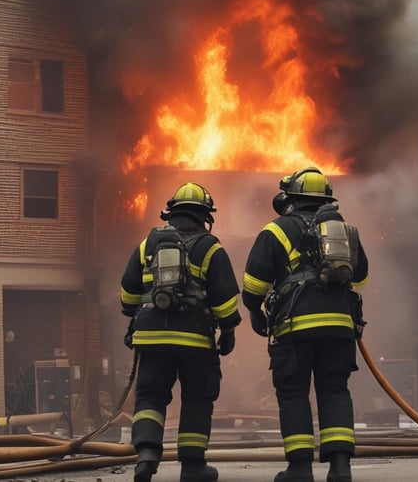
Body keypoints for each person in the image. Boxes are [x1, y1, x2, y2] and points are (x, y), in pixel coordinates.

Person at [242, 168, 369, 482]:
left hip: (295, 326)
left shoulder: (276, 230)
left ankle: (299, 469)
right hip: (339, 326)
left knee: (293, 393)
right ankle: (341, 469)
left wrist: (256, 314)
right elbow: (361, 279)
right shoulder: (344, 230)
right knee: (335, 391)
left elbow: (253, 286)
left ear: (290, 198)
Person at [120, 182, 242, 482]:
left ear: (170, 213)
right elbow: (225, 301)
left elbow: (127, 296)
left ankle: (146, 456)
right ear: (205, 216)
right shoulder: (211, 247)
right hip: (195, 340)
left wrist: (137, 321)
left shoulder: (147, 245)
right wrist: (228, 331)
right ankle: (192, 467)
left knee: (150, 396)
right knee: (197, 400)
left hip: (150, 340)